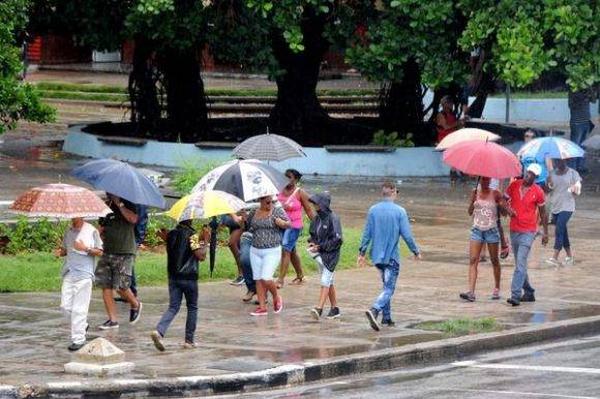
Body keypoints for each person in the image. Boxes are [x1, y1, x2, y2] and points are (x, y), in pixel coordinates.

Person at [358, 182, 421, 331]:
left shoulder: (373, 210)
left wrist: (361, 252)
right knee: (389, 289)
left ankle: (386, 318)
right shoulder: (400, 211)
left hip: (377, 258)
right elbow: (407, 235)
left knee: (385, 286)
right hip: (392, 257)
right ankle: (375, 309)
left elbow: (367, 233)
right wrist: (415, 251)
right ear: (393, 193)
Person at [151, 220, 208, 351]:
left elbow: (171, 246)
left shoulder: (171, 234)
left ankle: (159, 331)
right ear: (190, 220)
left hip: (173, 277)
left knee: (173, 307)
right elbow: (201, 256)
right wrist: (205, 240)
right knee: (192, 307)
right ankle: (189, 341)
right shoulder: (193, 235)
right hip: (189, 277)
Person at [459, 177, 512, 302]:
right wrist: (472, 201)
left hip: (491, 231)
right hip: (477, 230)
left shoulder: (495, 193)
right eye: (483, 180)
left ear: (490, 181)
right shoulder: (475, 192)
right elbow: (469, 212)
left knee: (494, 260)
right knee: (473, 260)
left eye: (487, 180)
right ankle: (471, 292)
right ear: (480, 180)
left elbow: (504, 213)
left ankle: (497, 288)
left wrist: (501, 204)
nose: (485, 182)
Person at [505, 164, 549, 306]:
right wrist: (508, 209)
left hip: (529, 231)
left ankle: (515, 295)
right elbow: (503, 201)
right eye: (527, 173)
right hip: (514, 229)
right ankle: (529, 292)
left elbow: (543, 213)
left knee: (520, 263)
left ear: (536, 178)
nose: (528, 176)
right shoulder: (514, 185)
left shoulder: (538, 192)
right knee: (520, 264)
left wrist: (545, 232)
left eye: (532, 175)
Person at [96, 194, 142, 329]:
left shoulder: (129, 202)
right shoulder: (106, 205)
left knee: (121, 285)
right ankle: (112, 320)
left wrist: (119, 203)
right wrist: (95, 238)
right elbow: (102, 227)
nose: (108, 193)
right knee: (105, 285)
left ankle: (135, 304)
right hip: (108, 250)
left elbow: (133, 219)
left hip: (125, 251)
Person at [57, 217, 103, 351]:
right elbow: (66, 250)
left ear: (82, 215)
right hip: (69, 272)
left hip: (84, 274)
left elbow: (100, 251)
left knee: (79, 309)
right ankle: (83, 325)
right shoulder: (69, 232)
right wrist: (60, 252)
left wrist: (86, 248)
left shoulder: (91, 231)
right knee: (65, 306)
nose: (73, 217)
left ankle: (78, 339)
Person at [244, 196, 290, 316]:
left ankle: (276, 296)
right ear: (260, 201)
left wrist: (282, 223)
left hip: (272, 249)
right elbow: (248, 227)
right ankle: (262, 307)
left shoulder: (277, 211)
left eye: (272, 202)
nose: (270, 204)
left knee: (266, 277)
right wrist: (242, 219)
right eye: (267, 202)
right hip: (255, 249)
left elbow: (289, 224)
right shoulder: (254, 212)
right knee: (258, 279)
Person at [307, 192, 343, 320]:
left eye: (316, 203)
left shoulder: (334, 218)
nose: (314, 205)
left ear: (323, 204)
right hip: (319, 254)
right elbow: (312, 234)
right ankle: (335, 308)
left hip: (331, 255)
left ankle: (319, 308)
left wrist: (321, 246)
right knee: (328, 281)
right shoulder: (317, 219)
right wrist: (312, 242)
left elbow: (338, 240)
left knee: (324, 280)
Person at [276, 169, 315, 288]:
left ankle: (280, 280)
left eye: (290, 177)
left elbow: (309, 210)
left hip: (293, 226)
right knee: (292, 251)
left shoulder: (300, 193)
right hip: (280, 225)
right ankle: (300, 275)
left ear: (296, 179)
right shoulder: (278, 190)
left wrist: (317, 226)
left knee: (285, 249)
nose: (287, 179)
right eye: (285, 177)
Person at [545, 159, 582, 267]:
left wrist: (574, 189)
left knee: (559, 229)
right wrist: (548, 183)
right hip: (555, 206)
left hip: (568, 206)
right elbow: (548, 190)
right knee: (563, 232)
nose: (558, 164)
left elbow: (578, 191)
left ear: (565, 161)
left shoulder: (573, 173)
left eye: (560, 161)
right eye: (556, 162)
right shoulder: (552, 174)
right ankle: (569, 256)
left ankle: (555, 257)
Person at [568, 89, 594, 173]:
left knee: (583, 146)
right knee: (575, 145)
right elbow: (571, 105)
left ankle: (581, 166)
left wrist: (590, 90)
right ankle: (572, 168)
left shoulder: (587, 91)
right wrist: (583, 97)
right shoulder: (573, 91)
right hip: (577, 123)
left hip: (586, 121)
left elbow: (594, 100)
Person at [221, 214, 245, 286]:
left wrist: (232, 214)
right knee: (237, 246)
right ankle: (242, 274)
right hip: (233, 225)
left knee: (232, 243)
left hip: (240, 222)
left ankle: (242, 274)